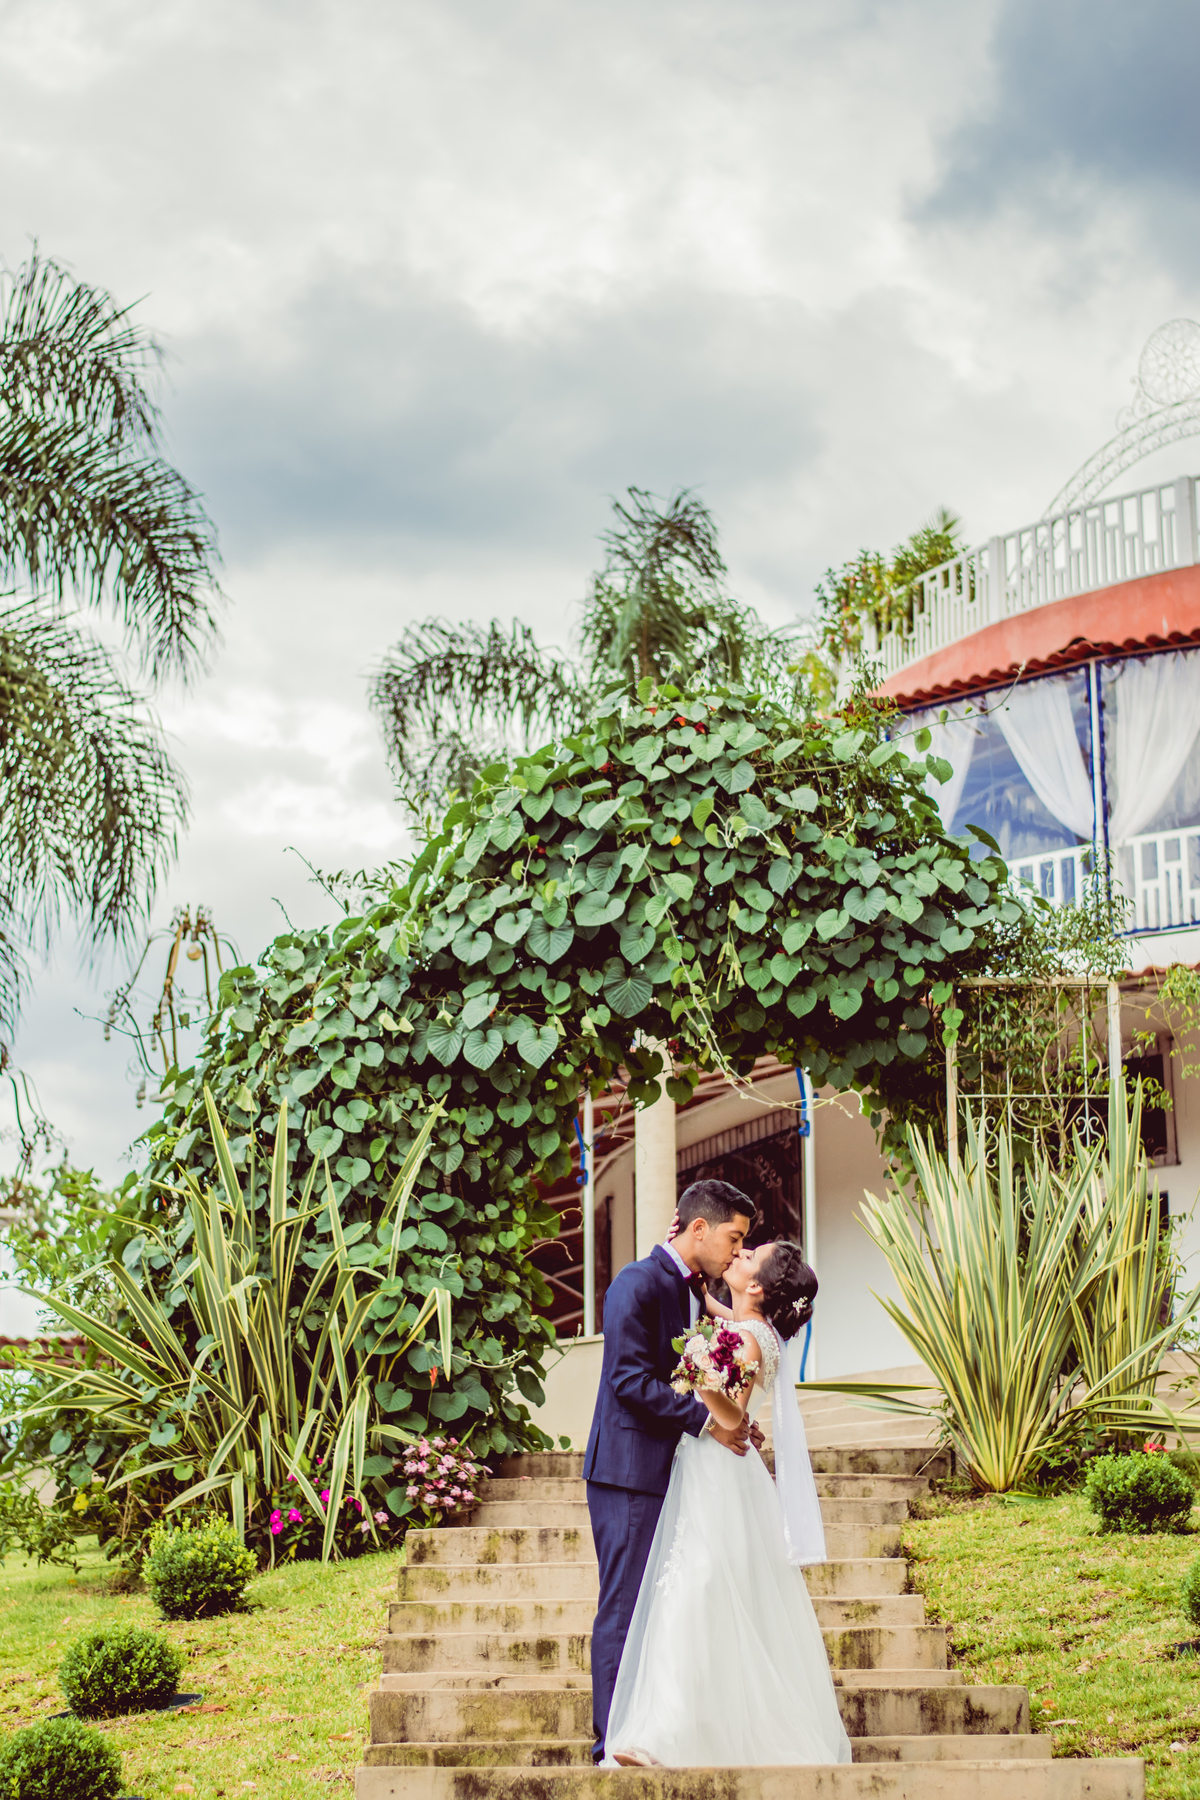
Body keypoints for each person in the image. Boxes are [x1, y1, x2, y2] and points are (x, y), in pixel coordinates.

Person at [603, 1235, 852, 1769]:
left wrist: (696, 1367)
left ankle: (662, 1736)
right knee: (696, 1588)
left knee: (695, 1588)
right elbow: (713, 1308)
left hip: (717, 1471)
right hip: (709, 1469)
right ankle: (672, 1730)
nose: (737, 1256)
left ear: (758, 1285)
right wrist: (685, 1264)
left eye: (746, 1255)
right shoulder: (749, 1326)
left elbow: (732, 1415)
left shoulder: (750, 1335)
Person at [583, 1179, 757, 1766]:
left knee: (654, 1607)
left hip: (668, 1470)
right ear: (698, 1228)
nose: (736, 1251)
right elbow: (629, 1383)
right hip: (628, 1471)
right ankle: (609, 1743)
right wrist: (707, 1424)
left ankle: (642, 1731)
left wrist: (730, 1416)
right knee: (625, 1607)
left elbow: (692, 1375)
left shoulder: (693, 1292)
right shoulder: (637, 1282)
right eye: (734, 1237)